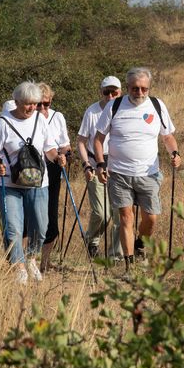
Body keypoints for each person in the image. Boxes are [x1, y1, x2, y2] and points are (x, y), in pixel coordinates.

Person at [94, 67, 180, 268]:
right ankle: (129, 264)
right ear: (127, 87)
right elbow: (98, 139)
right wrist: (99, 164)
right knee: (126, 218)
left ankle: (140, 243)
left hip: (148, 174)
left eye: (144, 89)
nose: (139, 93)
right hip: (119, 174)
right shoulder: (114, 106)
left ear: (149, 88)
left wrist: (175, 153)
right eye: (135, 88)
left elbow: (167, 136)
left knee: (150, 218)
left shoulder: (157, 106)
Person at [0, 82, 66, 284]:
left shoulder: (41, 120)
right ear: (17, 101)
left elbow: (49, 148)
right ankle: (19, 267)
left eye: (35, 104)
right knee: (13, 227)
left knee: (41, 225)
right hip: (8, 183)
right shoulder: (3, 123)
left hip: (38, 182)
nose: (31, 108)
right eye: (27, 104)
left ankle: (31, 258)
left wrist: (58, 158)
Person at [77, 76, 124, 261]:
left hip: (118, 165)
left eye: (115, 92)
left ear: (121, 92)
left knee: (120, 214)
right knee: (102, 213)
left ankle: (115, 256)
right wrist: (86, 164)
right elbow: (81, 141)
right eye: (107, 92)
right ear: (101, 92)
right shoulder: (92, 112)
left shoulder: (126, 109)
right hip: (96, 163)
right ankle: (92, 240)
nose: (111, 96)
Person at [37, 83, 73, 273]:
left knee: (51, 214)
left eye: (46, 104)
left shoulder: (57, 117)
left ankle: (45, 260)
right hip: (31, 170)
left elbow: (65, 143)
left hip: (53, 169)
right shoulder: (28, 118)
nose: (43, 108)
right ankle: (28, 259)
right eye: (39, 104)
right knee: (32, 214)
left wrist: (65, 154)